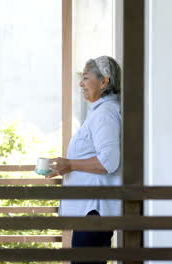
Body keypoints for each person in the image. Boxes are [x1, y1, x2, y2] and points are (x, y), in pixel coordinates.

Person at [46, 56, 122, 264]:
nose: (81, 83)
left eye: (86, 78)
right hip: (90, 212)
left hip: (94, 212)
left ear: (104, 82)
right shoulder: (100, 110)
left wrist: (70, 164)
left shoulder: (105, 113)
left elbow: (108, 162)